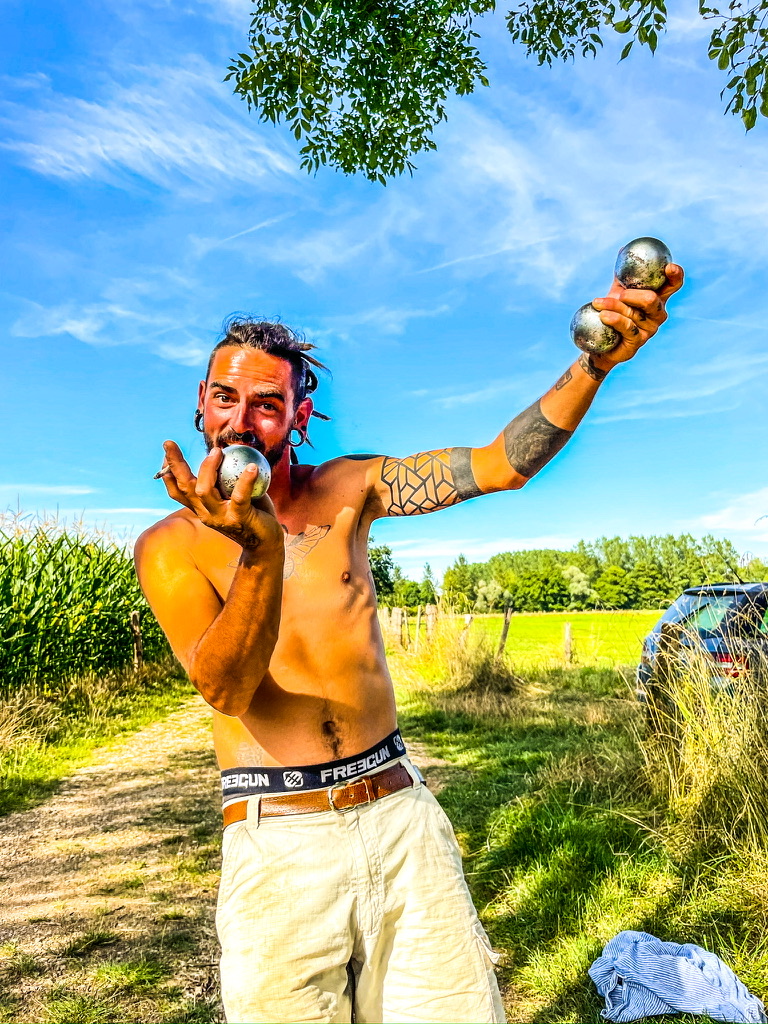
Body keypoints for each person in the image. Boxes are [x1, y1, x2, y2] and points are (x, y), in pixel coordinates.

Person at [134, 264, 683, 1024]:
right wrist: (260, 551)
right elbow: (225, 689)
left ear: (298, 415)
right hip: (278, 843)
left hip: (399, 818)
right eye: (225, 397)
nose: (240, 421)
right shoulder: (169, 546)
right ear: (201, 402)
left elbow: (498, 465)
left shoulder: (349, 488)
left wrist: (595, 365)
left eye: (267, 403)